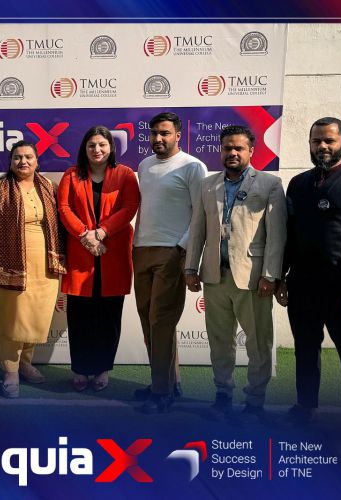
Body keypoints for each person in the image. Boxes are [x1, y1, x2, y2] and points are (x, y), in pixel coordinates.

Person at [276, 117, 341, 429]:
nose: (322, 146)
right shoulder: (298, 185)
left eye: (329, 141)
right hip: (302, 287)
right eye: (316, 141)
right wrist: (282, 276)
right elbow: (289, 236)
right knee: (305, 352)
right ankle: (305, 407)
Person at [185, 125, 286, 421]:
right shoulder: (208, 185)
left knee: (258, 343)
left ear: (251, 151)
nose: (232, 153)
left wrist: (270, 275)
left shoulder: (269, 184)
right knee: (219, 341)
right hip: (215, 276)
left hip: (252, 279)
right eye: (227, 148)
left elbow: (276, 235)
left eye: (239, 148)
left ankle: (255, 400)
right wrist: (191, 267)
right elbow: (197, 229)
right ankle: (223, 395)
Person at [0, 140, 66, 398]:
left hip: (46, 267)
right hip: (10, 266)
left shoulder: (48, 186)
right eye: (17, 157)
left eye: (28, 157)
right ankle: (10, 371)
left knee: (35, 319)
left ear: (37, 161)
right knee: (12, 320)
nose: (23, 161)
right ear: (11, 161)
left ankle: (25, 363)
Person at [132, 112, 208, 413]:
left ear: (178, 135)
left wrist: (182, 249)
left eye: (164, 133)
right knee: (147, 320)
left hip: (172, 252)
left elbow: (201, 212)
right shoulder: (144, 165)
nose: (158, 138)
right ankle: (167, 382)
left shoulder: (192, 166)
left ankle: (161, 391)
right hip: (141, 250)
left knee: (161, 321)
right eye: (154, 133)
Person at [57, 126, 140, 392]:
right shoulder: (71, 174)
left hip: (113, 252)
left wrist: (102, 232)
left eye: (102, 145)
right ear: (84, 148)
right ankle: (81, 369)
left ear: (111, 148)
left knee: (108, 317)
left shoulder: (125, 174)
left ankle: (103, 368)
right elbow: (64, 208)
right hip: (81, 252)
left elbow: (130, 207)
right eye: (91, 145)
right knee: (79, 316)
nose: (97, 150)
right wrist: (86, 235)